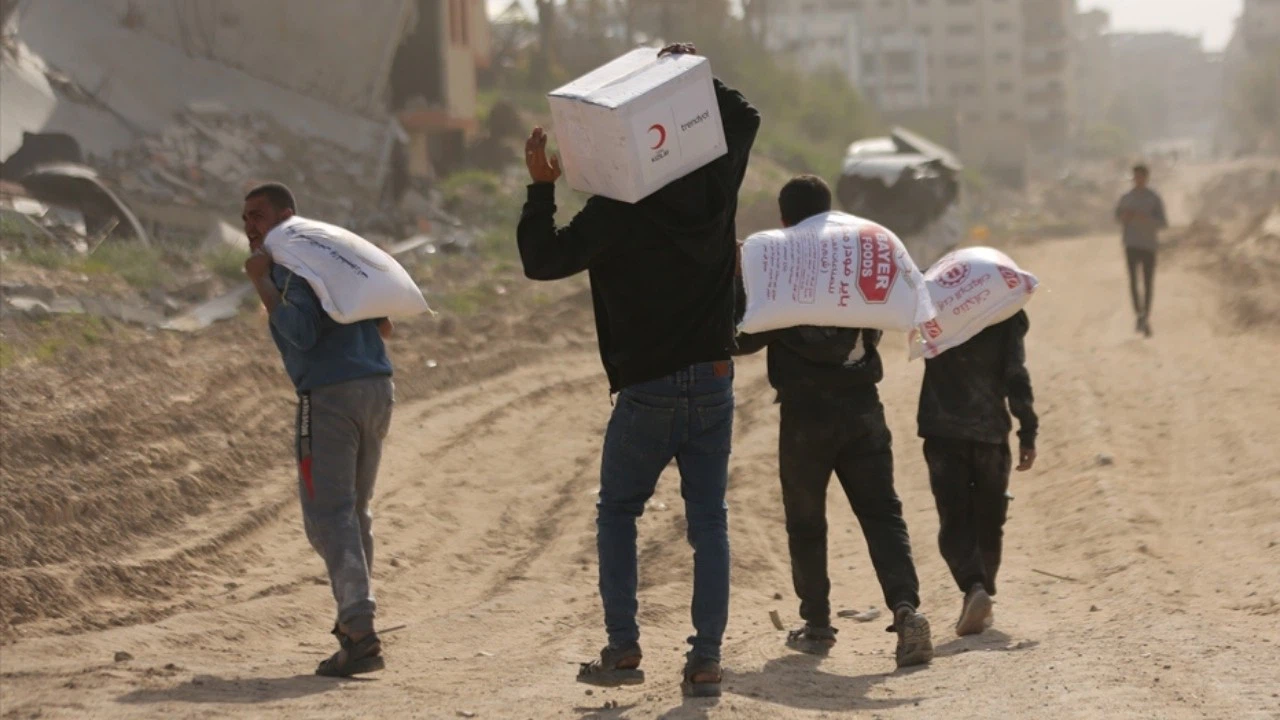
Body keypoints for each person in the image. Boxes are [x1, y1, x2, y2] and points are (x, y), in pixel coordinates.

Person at [516, 43, 759, 697]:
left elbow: (542, 259)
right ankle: (706, 659)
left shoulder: (616, 209)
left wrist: (541, 188)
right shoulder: (714, 187)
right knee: (708, 519)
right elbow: (744, 117)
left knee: (618, 512)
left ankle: (623, 648)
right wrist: (692, 69)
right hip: (713, 377)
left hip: (648, 385)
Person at [733, 176, 934, 669]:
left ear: (784, 221)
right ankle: (906, 612)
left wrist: (739, 277)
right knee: (882, 514)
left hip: (805, 419)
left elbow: (742, 339)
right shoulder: (854, 258)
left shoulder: (782, 270)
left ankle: (818, 625)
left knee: (806, 523)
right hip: (864, 409)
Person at [241, 182, 396, 677]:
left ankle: (358, 626)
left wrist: (262, 283)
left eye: (257, 215)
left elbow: (301, 331)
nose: (250, 226)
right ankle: (357, 627)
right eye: (245, 217)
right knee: (354, 512)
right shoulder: (329, 257)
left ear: (285, 215)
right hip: (375, 387)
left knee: (329, 516)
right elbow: (384, 325)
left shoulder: (288, 265)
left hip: (329, 396)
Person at [917, 307, 1038, 637]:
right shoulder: (1005, 313)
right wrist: (1027, 428)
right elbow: (1016, 373)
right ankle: (982, 590)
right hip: (989, 431)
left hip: (941, 430)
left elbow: (917, 344)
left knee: (954, 517)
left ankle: (974, 588)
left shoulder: (934, 308)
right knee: (990, 516)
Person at [1114, 164, 1167, 337]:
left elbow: (1163, 222)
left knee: (1148, 282)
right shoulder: (1126, 198)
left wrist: (1147, 219)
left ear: (1146, 177)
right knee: (1133, 282)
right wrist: (1125, 217)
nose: (1138, 180)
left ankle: (1146, 316)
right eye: (1135, 177)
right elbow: (1117, 217)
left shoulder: (1153, 198)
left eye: (1141, 177)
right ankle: (1138, 313)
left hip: (1149, 245)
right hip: (1131, 244)